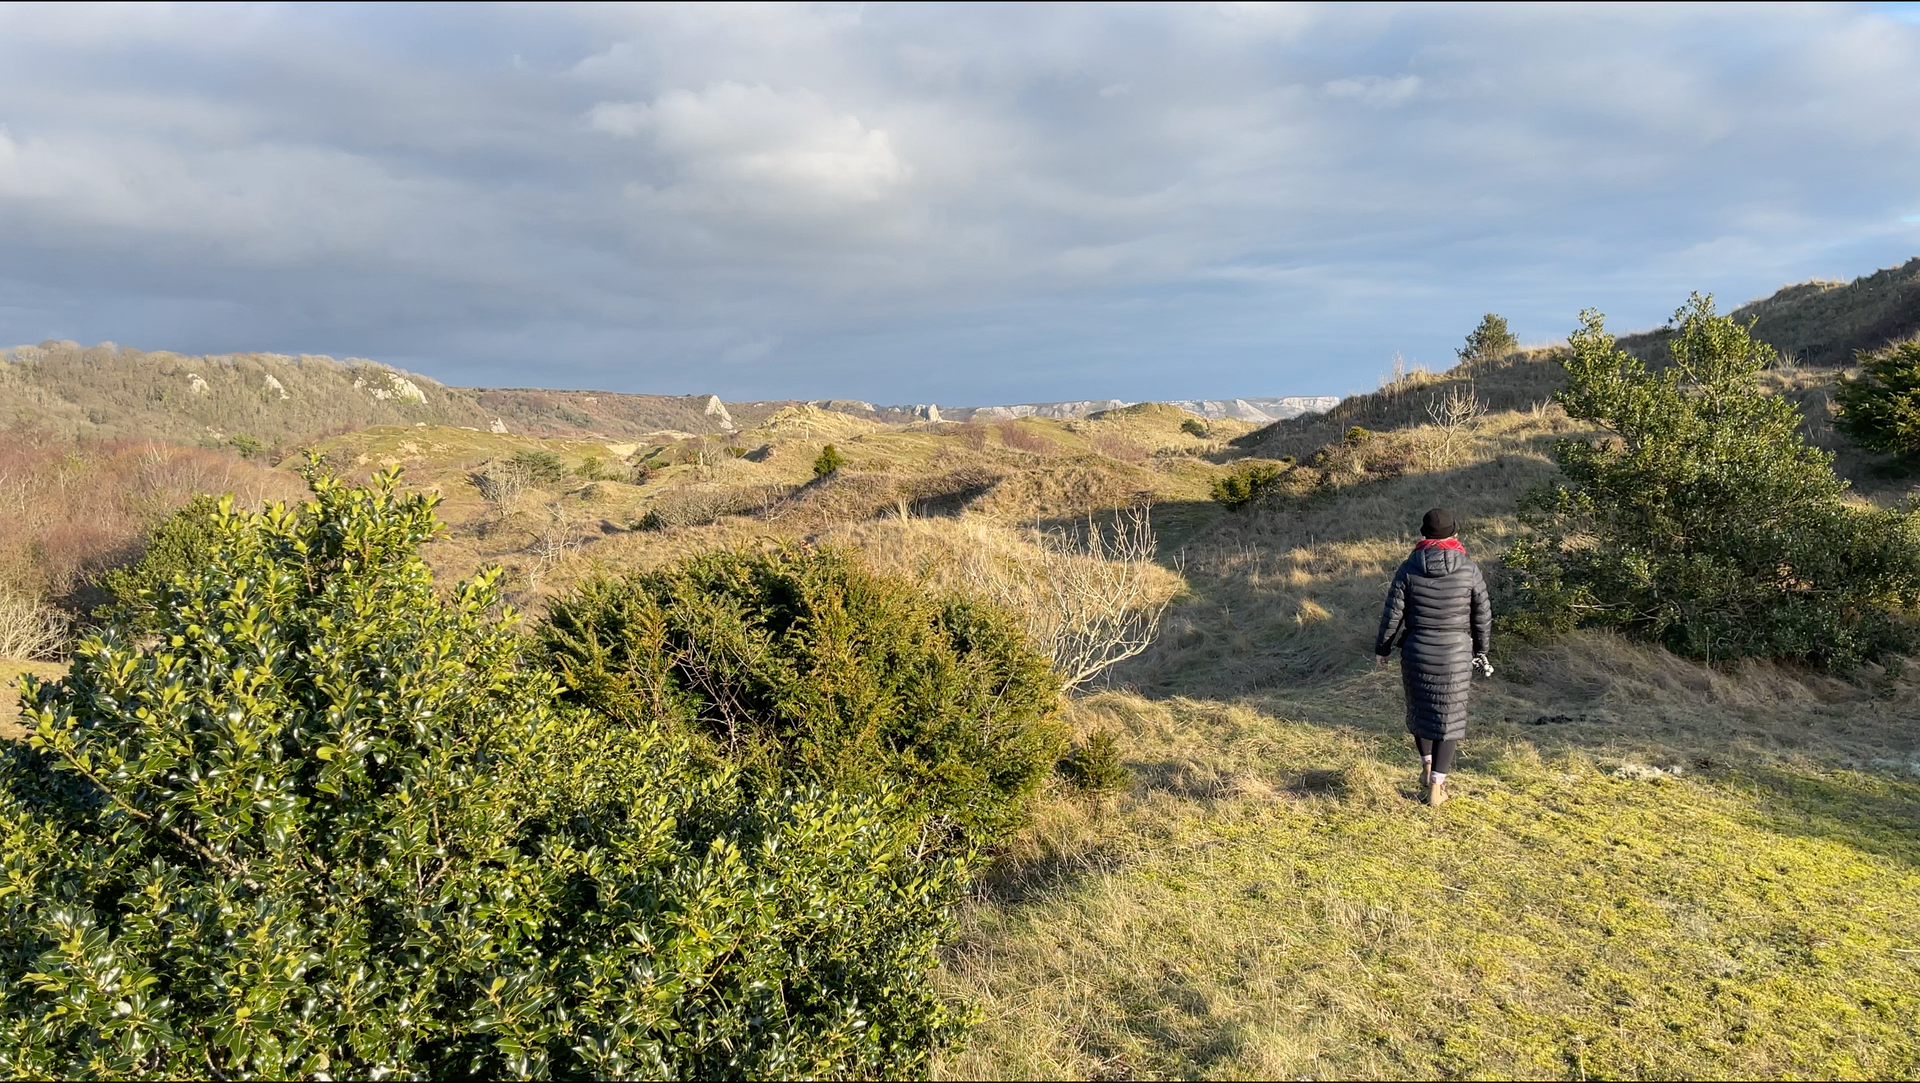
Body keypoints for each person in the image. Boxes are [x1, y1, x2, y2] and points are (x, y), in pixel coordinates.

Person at [1374, 507, 1492, 806]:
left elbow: (1392, 613)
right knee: (1448, 720)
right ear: (1455, 533)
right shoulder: (1468, 568)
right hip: (1456, 654)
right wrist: (1481, 650)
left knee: (1422, 712)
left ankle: (1426, 769)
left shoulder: (1408, 567)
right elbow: (1482, 615)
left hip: (1417, 651)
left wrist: (1383, 649)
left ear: (1423, 535)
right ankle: (1438, 788)